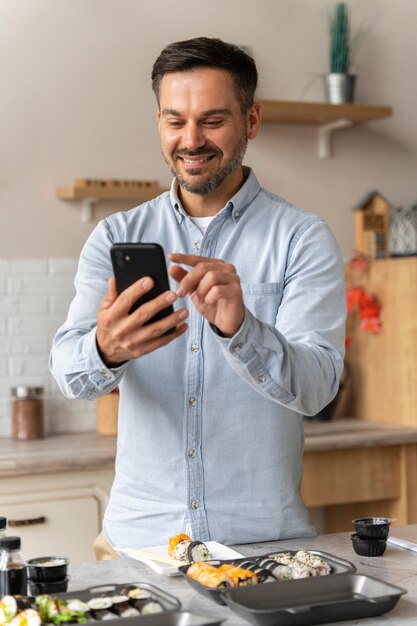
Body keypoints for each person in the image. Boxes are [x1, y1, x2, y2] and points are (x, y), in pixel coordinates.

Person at [50, 37, 346, 558]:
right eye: (174, 120)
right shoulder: (114, 235)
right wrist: (106, 349)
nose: (191, 140)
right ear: (158, 122)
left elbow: (318, 388)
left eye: (212, 120)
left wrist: (242, 330)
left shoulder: (302, 237)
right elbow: (68, 374)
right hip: (141, 546)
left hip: (261, 546)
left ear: (251, 120)